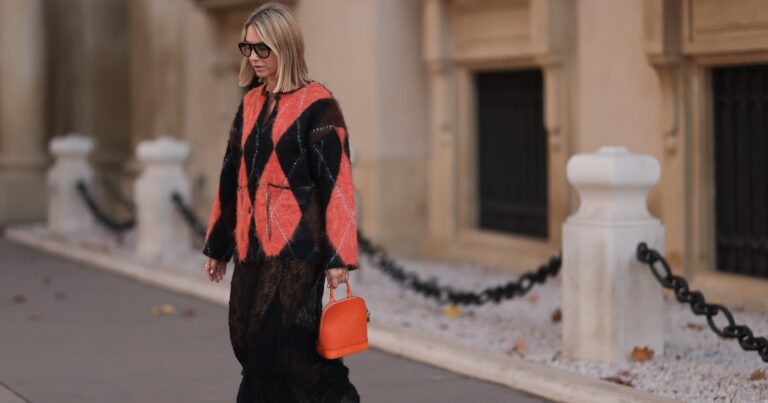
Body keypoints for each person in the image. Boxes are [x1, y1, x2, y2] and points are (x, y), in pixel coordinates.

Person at [201, 3, 360, 402]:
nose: (253, 57)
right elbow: (230, 175)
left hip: (298, 248)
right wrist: (219, 246)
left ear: (285, 47)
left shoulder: (319, 106)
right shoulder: (250, 103)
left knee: (267, 351)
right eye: (247, 48)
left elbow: (337, 184)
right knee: (247, 339)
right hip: (251, 244)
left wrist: (338, 256)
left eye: (262, 49)